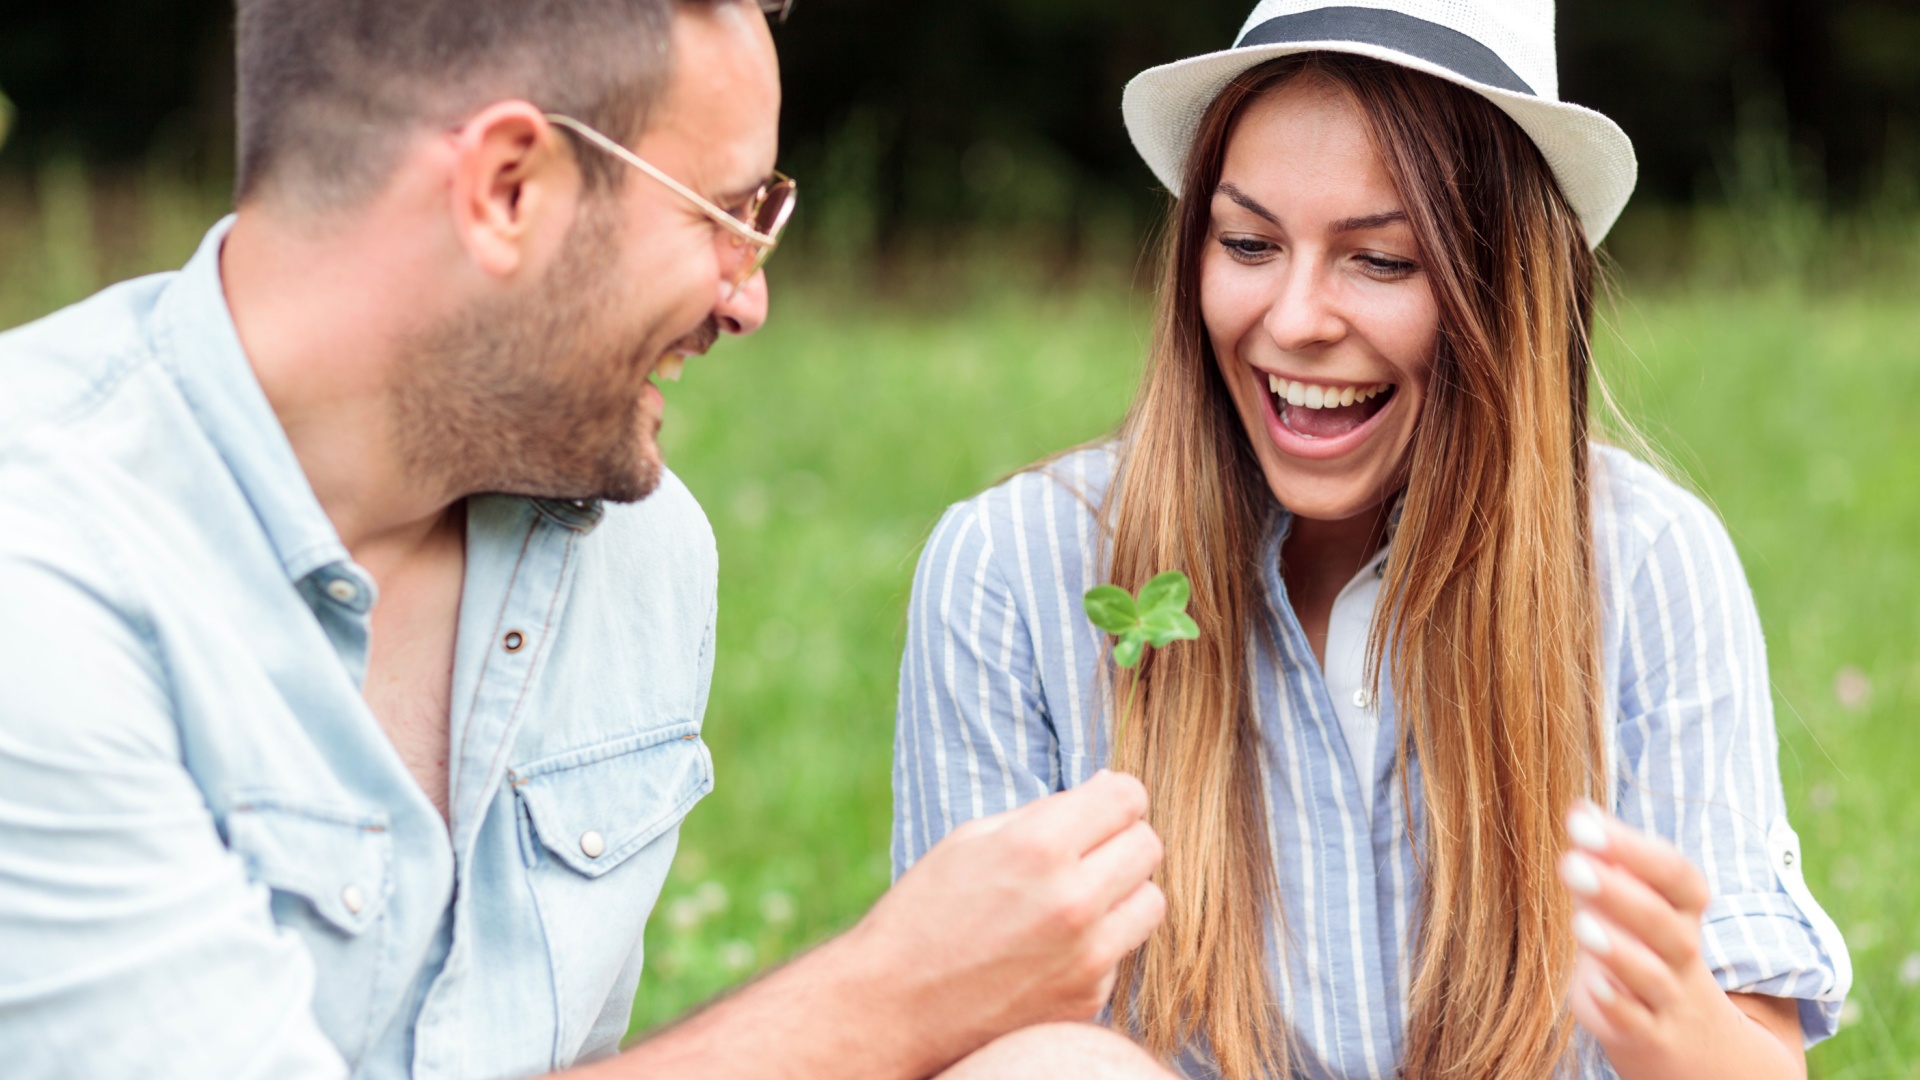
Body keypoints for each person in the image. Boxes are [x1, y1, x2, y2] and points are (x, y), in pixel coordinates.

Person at [0, 1, 1179, 1078]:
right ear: (509, 188)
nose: (749, 298)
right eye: (729, 215)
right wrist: (885, 998)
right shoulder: (44, 565)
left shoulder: (640, 552)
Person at [893, 2, 1852, 1078]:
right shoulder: (1017, 570)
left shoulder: (1643, 564)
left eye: (1382, 262)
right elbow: (953, 1042)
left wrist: (1672, 1014)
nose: (1295, 317)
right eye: (1248, 243)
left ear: (1507, 291)